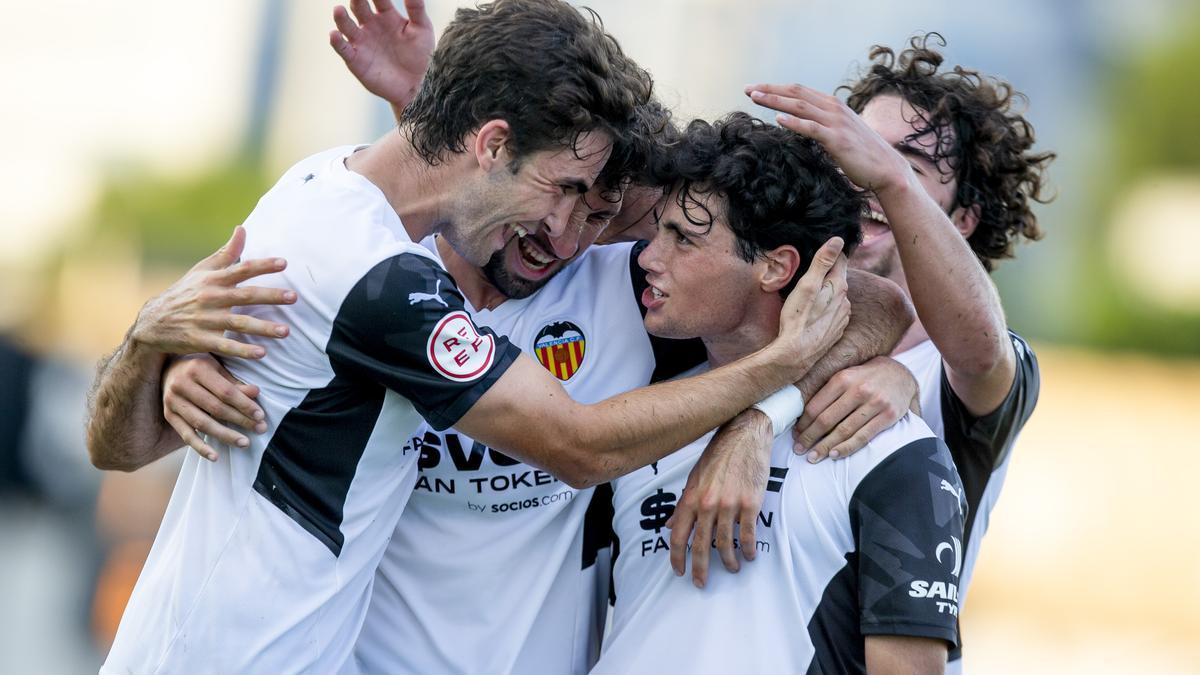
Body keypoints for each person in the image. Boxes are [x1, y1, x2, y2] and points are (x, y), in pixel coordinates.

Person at [84, 2, 851, 672]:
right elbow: (576, 445)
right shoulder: (386, 278)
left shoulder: (318, 188)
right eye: (567, 191)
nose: (568, 231)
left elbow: (864, 299)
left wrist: (767, 410)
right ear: (491, 144)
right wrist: (150, 345)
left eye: (602, 212)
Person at [593, 113, 965, 674]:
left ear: (775, 267)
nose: (647, 258)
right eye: (656, 231)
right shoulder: (643, 417)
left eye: (684, 239)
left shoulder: (892, 451)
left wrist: (758, 420)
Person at [747, 33, 1053, 672]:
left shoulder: (971, 368)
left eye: (906, 166)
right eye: (855, 153)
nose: (863, 180)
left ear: (962, 218)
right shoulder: (771, 316)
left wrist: (888, 178)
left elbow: (980, 350)